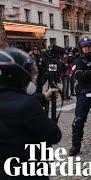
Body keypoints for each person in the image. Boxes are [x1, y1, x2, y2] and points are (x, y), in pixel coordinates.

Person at [0, 48, 62, 179]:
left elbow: (13, 102)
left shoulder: (25, 103)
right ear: (18, 76)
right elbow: (54, 135)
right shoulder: (29, 106)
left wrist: (43, 97)